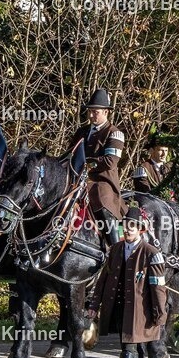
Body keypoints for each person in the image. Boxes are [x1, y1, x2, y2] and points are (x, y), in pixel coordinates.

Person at [88, 207, 169, 358]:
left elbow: (158, 287)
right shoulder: (115, 250)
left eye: (132, 226)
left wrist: (160, 314)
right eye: (125, 225)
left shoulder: (151, 254)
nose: (128, 229)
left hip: (141, 311)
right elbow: (103, 281)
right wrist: (94, 304)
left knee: (129, 348)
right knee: (128, 346)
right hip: (119, 308)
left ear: (140, 229)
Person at [70, 89, 126, 248]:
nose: (91, 115)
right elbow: (70, 153)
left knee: (103, 202)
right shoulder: (81, 131)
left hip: (102, 181)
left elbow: (109, 162)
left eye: (95, 112)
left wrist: (85, 163)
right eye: (90, 112)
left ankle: (115, 249)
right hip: (77, 178)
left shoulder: (115, 134)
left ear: (106, 112)